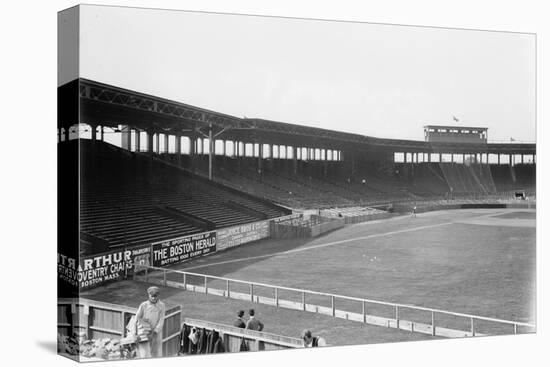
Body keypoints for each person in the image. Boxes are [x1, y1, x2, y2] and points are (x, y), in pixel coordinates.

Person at [136, 286, 166, 358]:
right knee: (144, 355)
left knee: (156, 354)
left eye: (155, 296)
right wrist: (135, 333)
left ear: (158, 295)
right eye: (152, 296)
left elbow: (161, 321)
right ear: (148, 295)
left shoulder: (161, 305)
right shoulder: (143, 305)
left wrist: (154, 333)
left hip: (156, 334)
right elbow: (137, 318)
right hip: (144, 334)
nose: (153, 298)